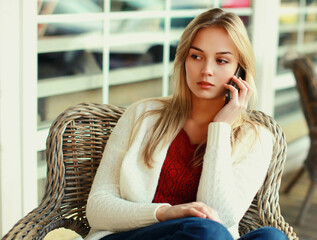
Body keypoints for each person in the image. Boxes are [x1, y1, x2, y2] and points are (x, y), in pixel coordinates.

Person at [85, 8, 288, 240]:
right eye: (196, 56)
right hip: (131, 235)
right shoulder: (142, 115)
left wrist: (220, 128)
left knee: (272, 238)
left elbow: (221, 216)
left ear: (239, 70)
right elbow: (97, 208)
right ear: (183, 60)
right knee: (206, 230)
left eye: (221, 60)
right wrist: (165, 213)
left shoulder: (256, 138)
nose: (206, 70)